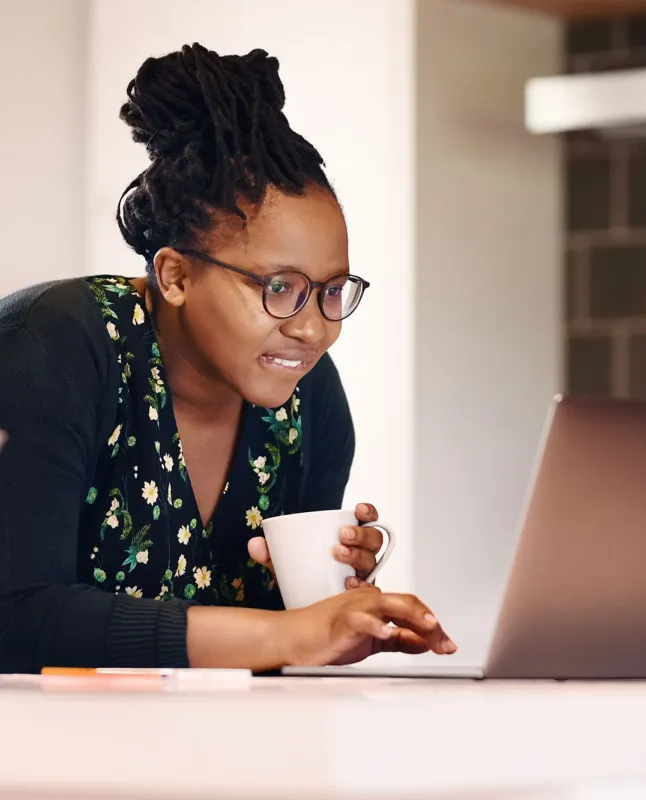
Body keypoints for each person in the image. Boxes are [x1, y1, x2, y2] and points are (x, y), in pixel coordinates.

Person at [0, 43, 456, 673]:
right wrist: (288, 636)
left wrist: (328, 604)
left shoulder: (309, 399)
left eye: (329, 292)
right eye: (278, 287)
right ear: (176, 275)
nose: (311, 328)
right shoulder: (55, 346)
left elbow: (272, 654)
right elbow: (14, 616)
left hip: (217, 752)